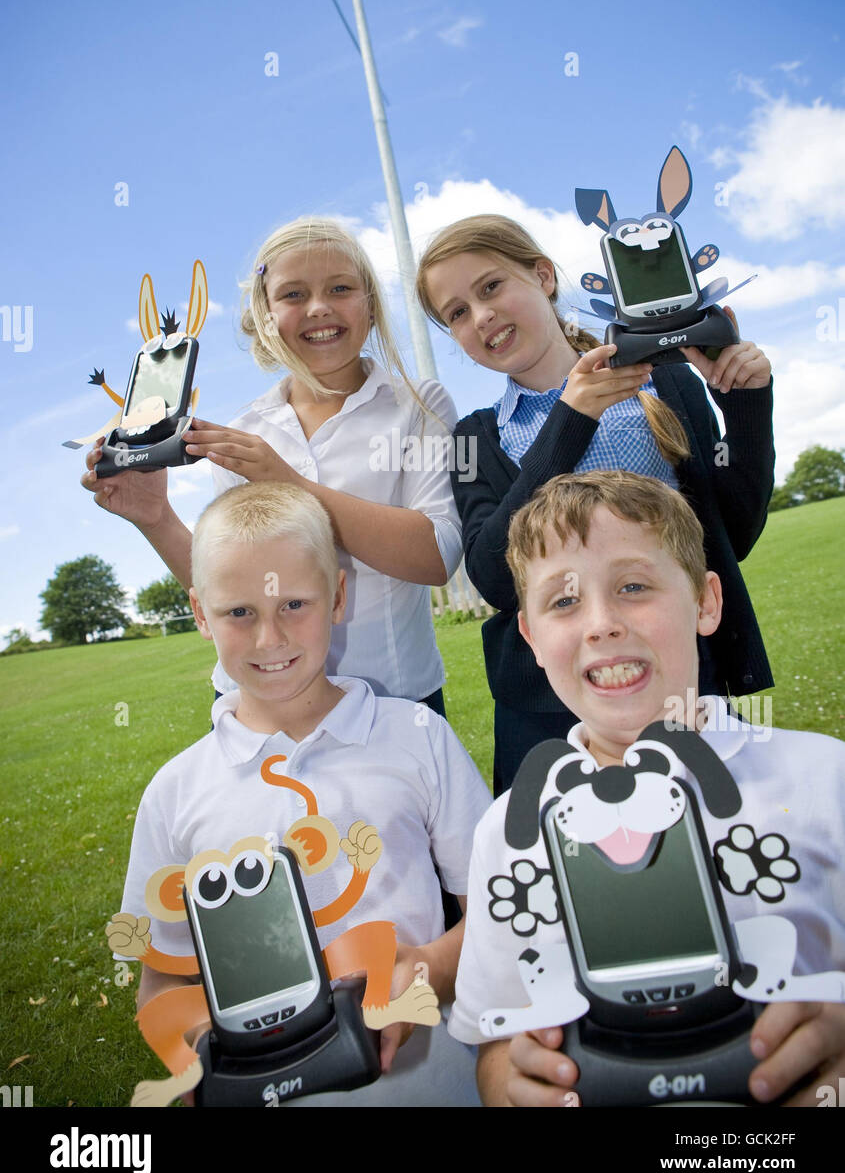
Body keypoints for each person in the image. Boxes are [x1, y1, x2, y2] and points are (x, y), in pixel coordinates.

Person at [447, 471, 845, 1107]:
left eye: (633, 586)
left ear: (706, 602)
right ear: (530, 639)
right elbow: (494, 1041)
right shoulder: (507, 831)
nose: (601, 624)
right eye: (564, 602)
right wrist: (509, 1081)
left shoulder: (825, 779)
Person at [114, 481, 492, 1107]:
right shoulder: (173, 794)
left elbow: (494, 912)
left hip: (436, 1086)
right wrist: (196, 1048)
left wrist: (425, 969)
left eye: (295, 604)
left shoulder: (418, 736)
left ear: (338, 595)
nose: (271, 639)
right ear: (201, 614)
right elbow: (161, 981)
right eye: (239, 612)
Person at [416, 214, 775, 792]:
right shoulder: (473, 438)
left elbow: (732, 530)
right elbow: (492, 576)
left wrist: (746, 404)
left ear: (544, 276)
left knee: (703, 845)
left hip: (677, 676)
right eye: (456, 313)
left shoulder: (669, 383)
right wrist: (570, 420)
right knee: (561, 870)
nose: (480, 315)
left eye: (491, 287)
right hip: (545, 715)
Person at [83, 217, 462, 709]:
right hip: (257, 707)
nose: (319, 307)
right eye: (293, 294)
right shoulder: (247, 430)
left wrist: (288, 483)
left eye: (340, 288)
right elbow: (225, 586)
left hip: (392, 701)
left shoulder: (420, 404)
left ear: (369, 306)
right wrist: (155, 518)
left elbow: (437, 556)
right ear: (264, 316)